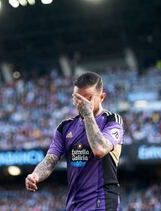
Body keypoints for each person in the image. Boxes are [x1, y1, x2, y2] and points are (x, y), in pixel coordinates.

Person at [25, 72, 124, 211]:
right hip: (74, 206)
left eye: (88, 98)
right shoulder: (65, 127)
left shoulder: (111, 121)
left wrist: (88, 114)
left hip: (102, 204)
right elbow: (50, 160)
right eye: (78, 98)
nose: (82, 103)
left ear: (102, 97)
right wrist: (35, 175)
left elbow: (100, 150)